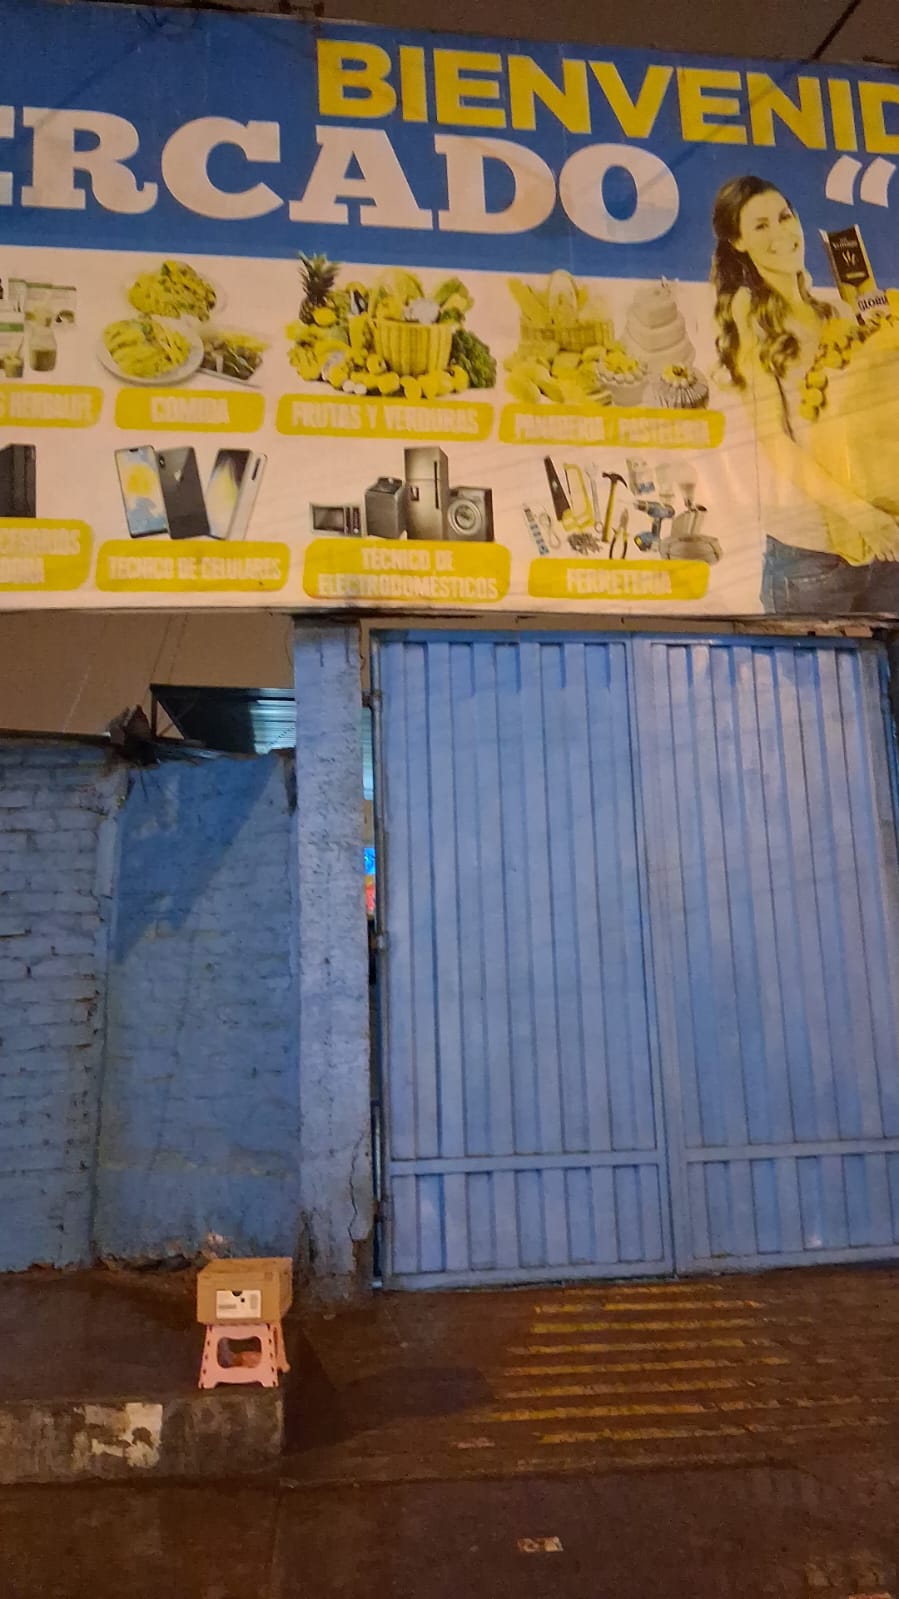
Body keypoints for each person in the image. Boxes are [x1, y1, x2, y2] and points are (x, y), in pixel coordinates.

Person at [710, 174, 899, 613]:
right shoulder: (746, 314)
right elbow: (774, 441)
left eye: (784, 217)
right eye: (760, 226)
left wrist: (880, 327)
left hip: (879, 540)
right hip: (810, 557)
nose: (780, 233)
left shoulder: (831, 312)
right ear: (738, 242)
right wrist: (860, 514)